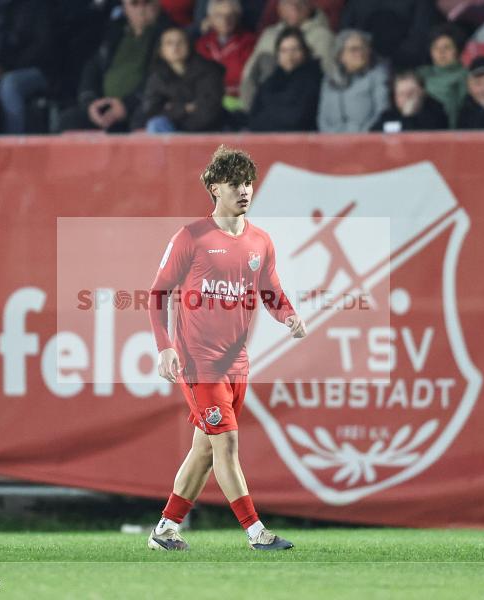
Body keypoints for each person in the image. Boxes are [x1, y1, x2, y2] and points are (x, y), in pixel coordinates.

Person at [147, 145, 307, 552]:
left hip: (237, 363)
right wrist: (165, 347)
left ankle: (164, 528)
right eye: (235, 183)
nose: (245, 190)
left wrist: (288, 315)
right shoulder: (191, 238)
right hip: (200, 364)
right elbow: (157, 294)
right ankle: (257, 533)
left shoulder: (260, 242)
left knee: (205, 448)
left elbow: (271, 292)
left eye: (249, 182)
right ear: (215, 188)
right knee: (227, 444)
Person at [61, 0, 171, 132]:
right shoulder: (114, 31)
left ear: (157, 4)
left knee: (134, 122)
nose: (141, 9)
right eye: (134, 4)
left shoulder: (168, 35)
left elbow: (159, 76)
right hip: (104, 104)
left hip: (141, 105)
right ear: (124, 8)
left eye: (146, 2)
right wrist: (90, 103)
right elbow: (93, 67)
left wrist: (126, 105)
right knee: (69, 120)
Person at [0, 0, 54, 134]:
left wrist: (4, 68)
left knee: (10, 84)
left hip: (35, 69)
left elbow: (41, 45)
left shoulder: (37, 4)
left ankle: (13, 146)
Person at [239, 0, 334, 111]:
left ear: (310, 6)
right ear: (280, 9)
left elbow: (326, 78)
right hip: (263, 108)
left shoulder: (323, 37)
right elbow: (249, 74)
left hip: (303, 108)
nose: (295, 8)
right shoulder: (269, 35)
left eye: (301, 3)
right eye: (289, 3)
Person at [135, 26, 224, 132]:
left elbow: (208, 110)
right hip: (171, 130)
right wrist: (185, 108)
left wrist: (172, 108)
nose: (175, 47)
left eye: (180, 42)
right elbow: (151, 111)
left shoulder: (208, 70)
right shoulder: (157, 77)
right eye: (169, 43)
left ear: (189, 45)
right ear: (161, 50)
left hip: (206, 131)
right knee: (156, 124)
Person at [248, 26, 321, 131]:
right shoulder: (269, 83)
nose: (289, 56)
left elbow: (298, 119)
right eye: (284, 51)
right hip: (269, 142)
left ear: (305, 51)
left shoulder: (314, 80)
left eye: (295, 50)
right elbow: (254, 119)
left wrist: (270, 118)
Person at [317, 29, 390, 133]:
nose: (360, 53)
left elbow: (381, 113)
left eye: (364, 48)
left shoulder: (378, 75)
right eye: (354, 49)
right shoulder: (329, 79)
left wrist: (359, 137)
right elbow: (322, 118)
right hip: (332, 143)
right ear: (340, 56)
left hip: (366, 141)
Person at [340, 0, 443, 69]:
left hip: (408, 67)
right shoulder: (356, 3)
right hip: (364, 66)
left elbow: (421, 33)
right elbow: (346, 33)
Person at [194, 0, 256, 110]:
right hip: (206, 101)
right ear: (210, 19)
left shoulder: (249, 42)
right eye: (219, 15)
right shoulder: (202, 43)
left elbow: (245, 77)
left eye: (230, 15)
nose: (225, 20)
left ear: (238, 17)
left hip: (238, 101)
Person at [417, 24, 466, 129]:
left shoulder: (465, 75)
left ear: (457, 50)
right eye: (435, 48)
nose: (441, 52)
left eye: (447, 47)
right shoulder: (421, 73)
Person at [372, 70, 448, 132]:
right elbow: (373, 136)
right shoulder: (388, 116)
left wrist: (408, 117)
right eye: (401, 94)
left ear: (422, 93)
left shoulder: (436, 113)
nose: (406, 98)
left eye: (411, 93)